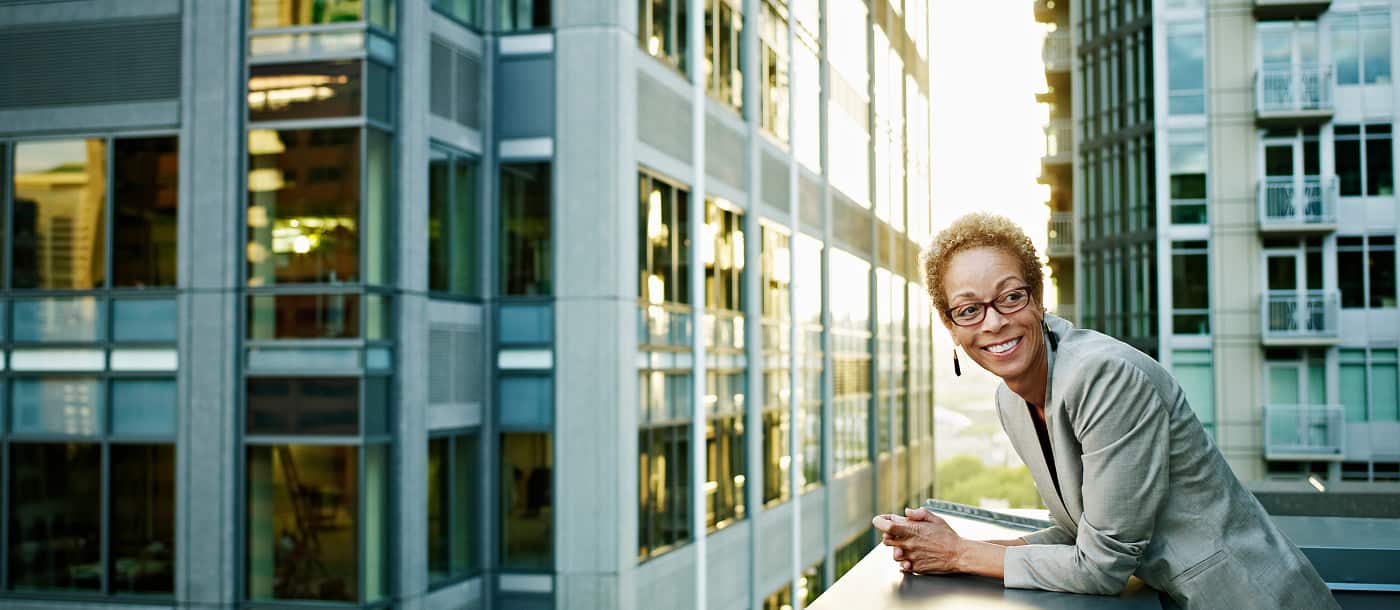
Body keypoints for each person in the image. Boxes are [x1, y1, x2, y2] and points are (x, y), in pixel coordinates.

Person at [872, 213, 1337, 609]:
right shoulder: (1011, 398)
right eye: (968, 309)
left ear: (1037, 299)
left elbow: (1102, 566)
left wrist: (959, 556)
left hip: (1253, 599)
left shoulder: (1103, 377)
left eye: (1011, 296)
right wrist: (951, 546)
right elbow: (1079, 533)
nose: (994, 321)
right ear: (949, 325)